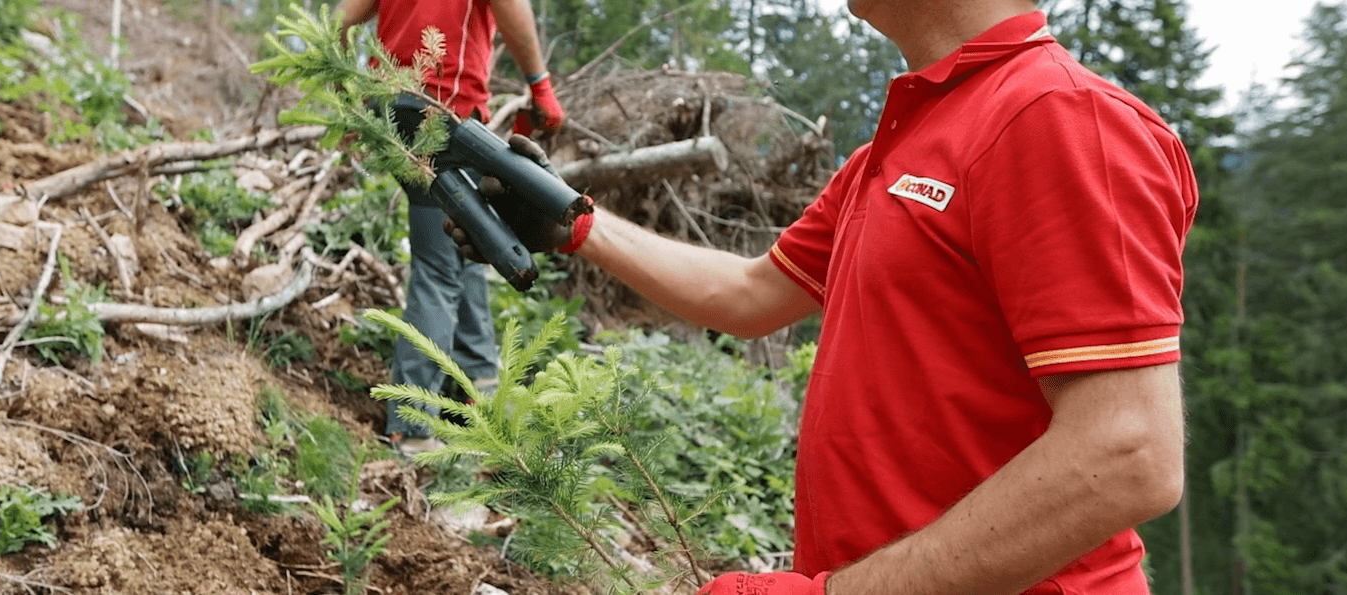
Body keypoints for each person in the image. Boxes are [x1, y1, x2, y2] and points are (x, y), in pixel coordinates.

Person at [457, 0, 1196, 592]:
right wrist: (573, 222)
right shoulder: (897, 146)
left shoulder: (1057, 118)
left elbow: (1126, 449)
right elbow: (748, 293)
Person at [335, 0, 566, 455]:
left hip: (392, 107)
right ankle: (413, 429)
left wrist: (350, 98)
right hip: (439, 108)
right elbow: (510, 7)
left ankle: (480, 384)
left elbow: (340, 20)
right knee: (439, 267)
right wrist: (540, 86)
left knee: (469, 244)